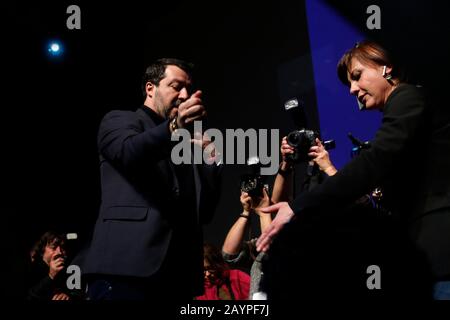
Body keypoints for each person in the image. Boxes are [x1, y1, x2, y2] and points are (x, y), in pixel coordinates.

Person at [257, 40, 450, 299]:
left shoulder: (406, 96)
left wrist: (296, 206)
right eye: (349, 82)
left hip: (440, 253)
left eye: (357, 77)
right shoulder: (403, 108)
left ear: (386, 68)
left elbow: (373, 162)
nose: (352, 89)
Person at [83, 58, 222, 300]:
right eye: (176, 86)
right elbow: (129, 151)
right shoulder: (120, 120)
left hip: (176, 278)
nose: (185, 94)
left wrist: (210, 160)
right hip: (126, 270)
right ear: (150, 88)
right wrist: (173, 127)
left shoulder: (186, 143)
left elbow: (205, 211)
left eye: (188, 88)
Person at [222, 136, 336, 299]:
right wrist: (246, 212)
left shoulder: (305, 244)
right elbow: (229, 255)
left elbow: (278, 255)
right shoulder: (262, 243)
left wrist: (264, 214)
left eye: (279, 209)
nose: (274, 208)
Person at [27, 231, 80, 300]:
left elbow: (79, 292)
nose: (59, 252)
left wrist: (68, 295)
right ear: (42, 251)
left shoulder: (70, 268)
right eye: (54, 247)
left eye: (62, 247)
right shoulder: (32, 270)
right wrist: (51, 276)